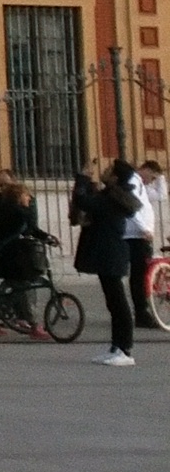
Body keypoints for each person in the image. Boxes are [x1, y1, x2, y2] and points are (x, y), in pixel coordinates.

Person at [76, 157, 145, 365]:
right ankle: (116, 346)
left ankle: (125, 350)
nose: (104, 171)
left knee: (119, 303)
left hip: (111, 253)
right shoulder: (111, 195)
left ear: (114, 177)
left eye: (108, 169)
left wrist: (83, 178)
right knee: (113, 303)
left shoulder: (113, 198)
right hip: (108, 252)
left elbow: (84, 201)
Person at [0, 169, 45, 334]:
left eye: (5, 183)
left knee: (12, 287)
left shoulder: (22, 204)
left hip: (19, 251)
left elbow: (32, 227)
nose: (3, 187)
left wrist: (46, 237)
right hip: (12, 254)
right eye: (0, 184)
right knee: (22, 287)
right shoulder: (6, 205)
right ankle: (32, 324)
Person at [136, 156, 168, 332]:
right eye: (152, 177)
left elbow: (161, 195)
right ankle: (142, 310)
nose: (152, 181)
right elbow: (161, 194)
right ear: (145, 169)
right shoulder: (139, 186)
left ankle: (143, 309)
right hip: (141, 234)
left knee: (145, 266)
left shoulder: (145, 187)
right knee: (141, 270)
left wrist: (160, 176)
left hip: (145, 233)